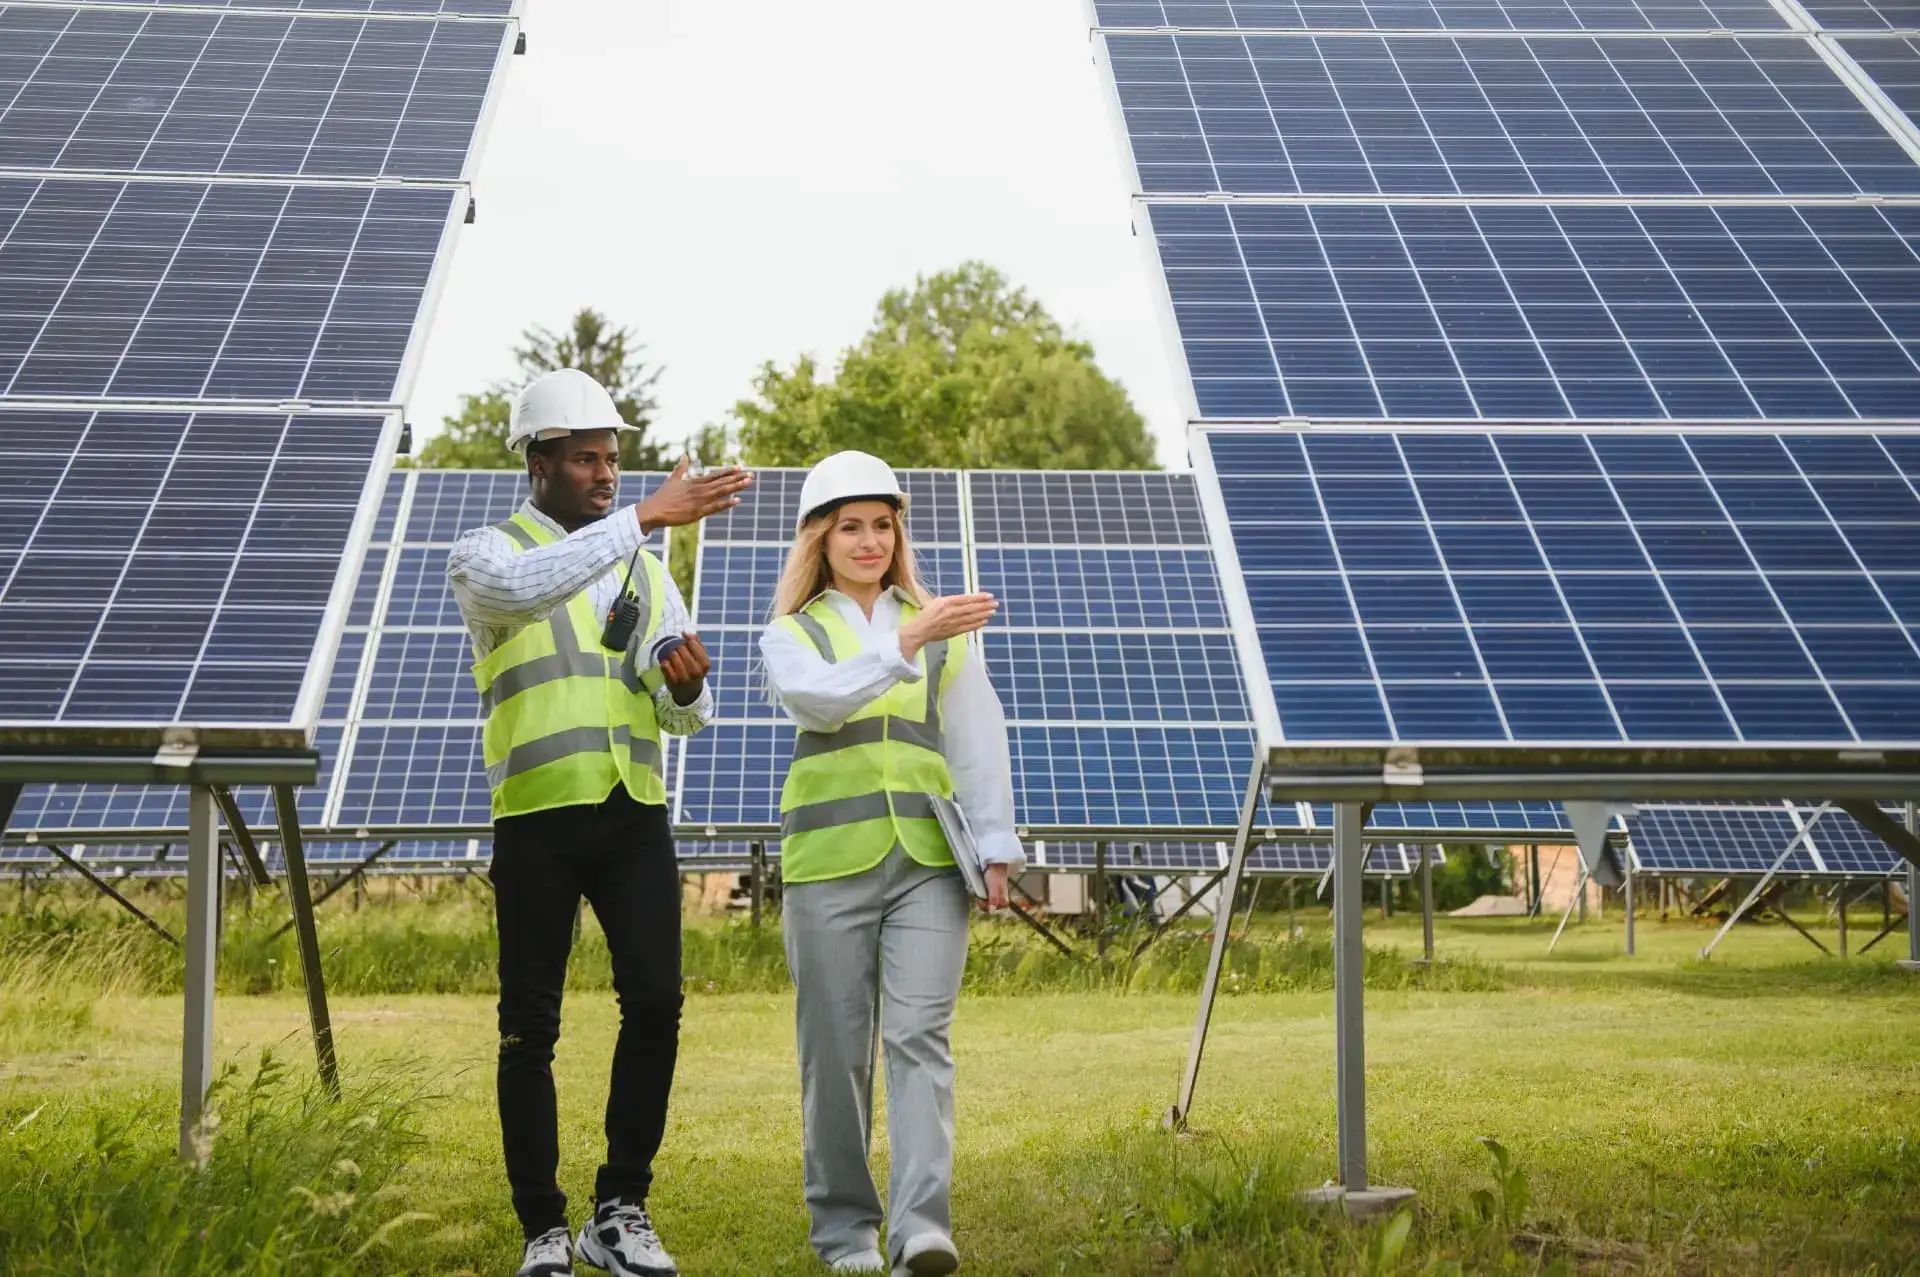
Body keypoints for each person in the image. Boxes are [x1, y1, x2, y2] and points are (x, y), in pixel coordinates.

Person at [446, 367, 752, 1277]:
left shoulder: (643, 569)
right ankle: (543, 1226)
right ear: (538, 464)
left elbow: (679, 710)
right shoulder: (483, 554)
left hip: (632, 815)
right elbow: (523, 590)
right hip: (536, 819)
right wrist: (649, 518)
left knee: (656, 1002)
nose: (608, 475)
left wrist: (687, 688)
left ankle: (619, 1207)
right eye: (586, 459)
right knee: (528, 1025)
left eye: (614, 460)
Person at [758, 450, 1022, 1276]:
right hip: (827, 863)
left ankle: (920, 1228)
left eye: (882, 524)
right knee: (834, 1052)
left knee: (920, 1037)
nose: (869, 541)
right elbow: (817, 700)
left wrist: (998, 847)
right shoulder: (792, 632)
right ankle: (845, 1233)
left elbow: (978, 742)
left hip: (928, 862)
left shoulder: (940, 629)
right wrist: (904, 640)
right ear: (820, 539)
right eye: (850, 527)